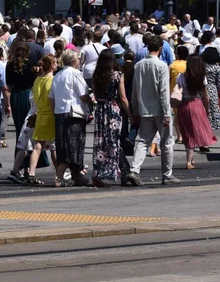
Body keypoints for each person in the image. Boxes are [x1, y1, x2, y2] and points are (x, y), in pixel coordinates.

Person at [128, 35, 177, 185]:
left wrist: (135, 109)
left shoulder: (139, 65)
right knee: (167, 142)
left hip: (144, 108)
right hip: (160, 110)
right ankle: (167, 174)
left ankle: (134, 170)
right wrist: (167, 112)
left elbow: (135, 90)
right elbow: (163, 91)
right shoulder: (161, 66)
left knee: (143, 140)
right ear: (160, 48)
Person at [51, 49, 92, 187]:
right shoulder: (75, 74)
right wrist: (93, 102)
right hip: (73, 113)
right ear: (74, 60)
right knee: (73, 146)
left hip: (59, 112)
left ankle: (76, 175)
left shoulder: (58, 75)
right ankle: (59, 177)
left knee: (63, 145)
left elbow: (51, 98)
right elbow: (83, 94)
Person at [90, 49, 128, 186]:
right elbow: (123, 98)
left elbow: (94, 93)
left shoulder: (96, 75)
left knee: (100, 142)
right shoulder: (117, 75)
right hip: (112, 110)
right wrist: (130, 114)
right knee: (114, 141)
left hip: (100, 109)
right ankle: (121, 172)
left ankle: (98, 173)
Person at [175, 55, 218, 171]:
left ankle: (190, 159)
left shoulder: (182, 76)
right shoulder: (201, 77)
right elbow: (205, 96)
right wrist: (206, 109)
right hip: (196, 104)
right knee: (196, 132)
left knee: (187, 133)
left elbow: (177, 91)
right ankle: (189, 161)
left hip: (184, 105)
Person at [25, 54, 58, 185]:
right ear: (51, 65)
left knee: (38, 145)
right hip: (50, 114)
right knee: (54, 147)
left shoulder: (38, 80)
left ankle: (31, 172)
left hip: (40, 113)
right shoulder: (52, 80)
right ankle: (59, 173)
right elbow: (52, 98)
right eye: (55, 63)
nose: (57, 65)